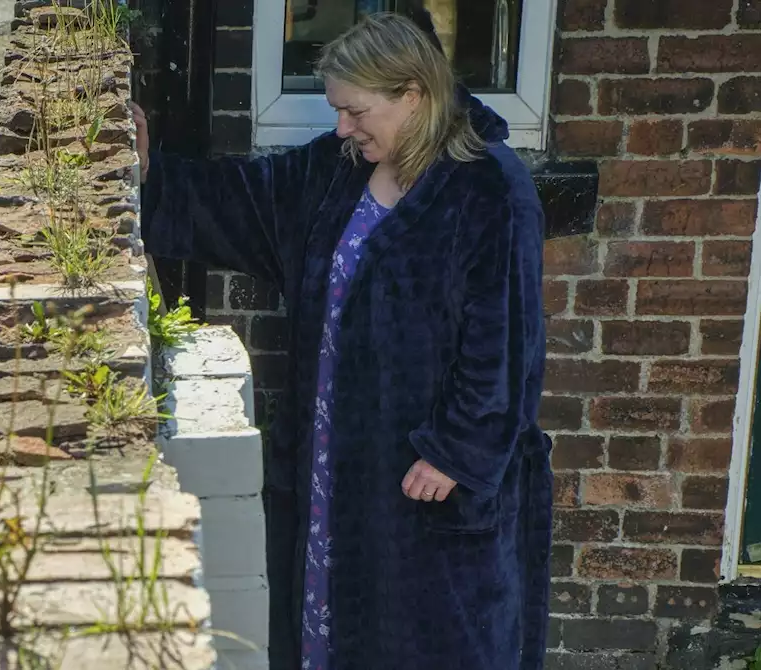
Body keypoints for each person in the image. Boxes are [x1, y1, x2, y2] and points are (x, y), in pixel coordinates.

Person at [133, 10, 550, 670]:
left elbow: (507, 338)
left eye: (355, 111)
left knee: (425, 640)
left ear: (412, 95)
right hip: (332, 465)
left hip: (422, 484)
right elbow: (245, 200)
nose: (342, 128)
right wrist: (150, 172)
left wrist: (457, 451)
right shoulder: (338, 171)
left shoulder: (489, 189)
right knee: (326, 628)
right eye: (338, 111)